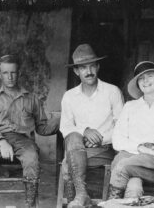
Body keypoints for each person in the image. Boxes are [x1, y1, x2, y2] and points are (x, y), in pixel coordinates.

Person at [0, 54, 59, 208]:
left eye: (13, 72)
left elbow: (42, 127)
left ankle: (30, 204)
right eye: (5, 73)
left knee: (32, 157)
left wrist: (63, 120)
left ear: (19, 73)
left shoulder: (32, 99)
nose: (10, 77)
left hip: (23, 140)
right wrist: (2, 141)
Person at [60, 44, 124, 208]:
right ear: (76, 71)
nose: (88, 71)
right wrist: (85, 131)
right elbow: (65, 127)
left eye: (91, 66)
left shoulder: (112, 92)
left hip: (105, 149)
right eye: (83, 68)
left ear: (98, 67)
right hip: (78, 147)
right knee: (74, 136)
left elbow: (122, 126)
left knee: (68, 164)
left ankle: (79, 198)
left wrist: (100, 139)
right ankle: (82, 195)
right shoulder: (69, 96)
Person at [108, 61, 154, 202]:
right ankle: (129, 200)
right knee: (133, 185)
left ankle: (111, 203)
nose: (145, 81)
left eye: (150, 76)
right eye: (141, 78)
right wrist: (141, 148)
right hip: (132, 156)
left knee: (121, 165)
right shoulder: (130, 106)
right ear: (137, 84)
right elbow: (117, 140)